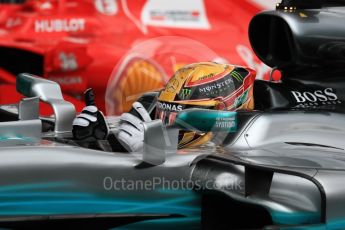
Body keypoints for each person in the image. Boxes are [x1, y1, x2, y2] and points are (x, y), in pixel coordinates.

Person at [72, 62, 256, 152]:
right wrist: (98, 140)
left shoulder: (248, 150)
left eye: (179, 117)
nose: (169, 125)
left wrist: (149, 156)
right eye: (166, 114)